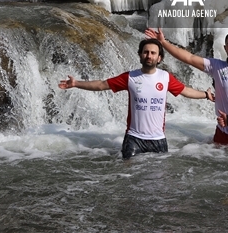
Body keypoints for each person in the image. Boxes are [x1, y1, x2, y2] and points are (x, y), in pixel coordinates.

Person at [58, 38, 213, 159]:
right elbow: (101, 85)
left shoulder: (165, 78)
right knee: (130, 181)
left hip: (158, 140)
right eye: (146, 52)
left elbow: (185, 91)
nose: (149, 56)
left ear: (159, 58)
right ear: (140, 55)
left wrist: (205, 95)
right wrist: (76, 83)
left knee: (159, 184)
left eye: (153, 53)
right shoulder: (130, 77)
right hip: (134, 139)